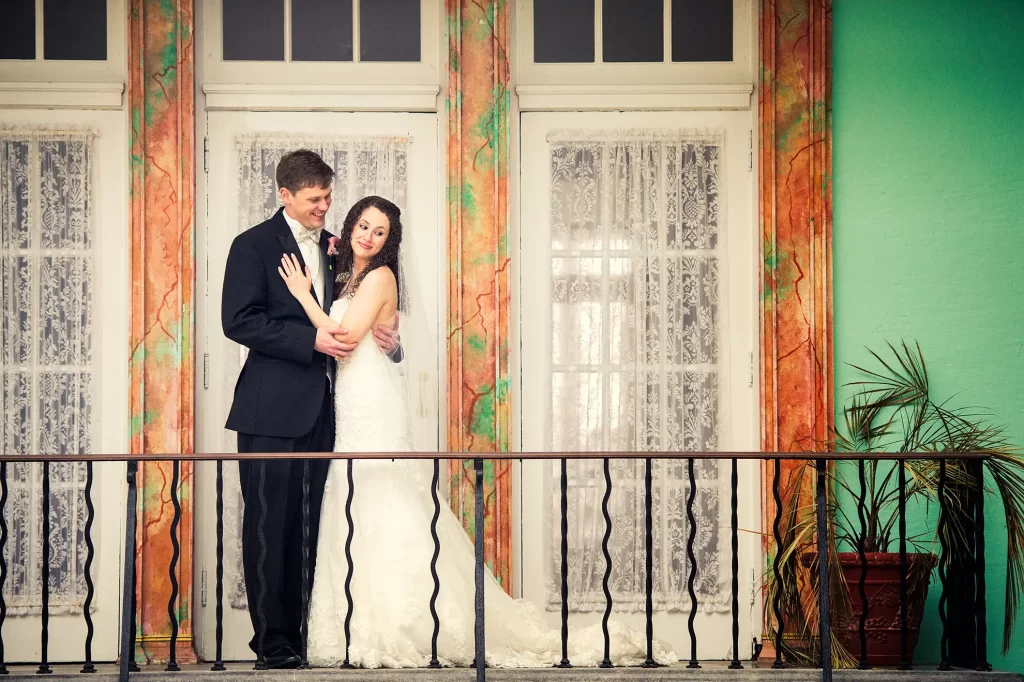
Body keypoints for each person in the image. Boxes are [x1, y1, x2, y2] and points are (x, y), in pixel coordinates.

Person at [277, 194, 677, 668]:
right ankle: (366, 619)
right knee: (358, 502)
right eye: (363, 226)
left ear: (389, 243)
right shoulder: (348, 275)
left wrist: (302, 295)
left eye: (379, 231)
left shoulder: (381, 277)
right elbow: (365, 332)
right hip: (351, 404)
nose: (368, 236)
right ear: (352, 227)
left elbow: (342, 340)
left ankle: (411, 622)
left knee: (386, 497)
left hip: (374, 404)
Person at [221, 150, 399, 669]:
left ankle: (308, 636)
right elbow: (240, 321)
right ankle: (273, 644)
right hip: (270, 412)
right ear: (285, 195)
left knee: (313, 526)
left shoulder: (339, 249)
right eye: (315, 199)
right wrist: (311, 342)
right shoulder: (252, 246)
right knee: (270, 525)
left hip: (331, 411)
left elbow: (369, 318)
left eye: (327, 197)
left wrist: (391, 344)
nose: (326, 207)